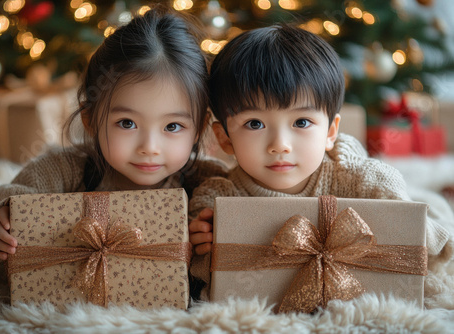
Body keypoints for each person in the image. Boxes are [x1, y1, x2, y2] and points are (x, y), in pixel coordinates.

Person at [188, 23, 452, 298]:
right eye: (255, 124)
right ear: (225, 139)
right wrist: (203, 246)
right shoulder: (218, 198)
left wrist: (419, 230)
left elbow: (422, 241)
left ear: (330, 132)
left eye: (301, 121)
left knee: (433, 204)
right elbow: (201, 274)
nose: (280, 145)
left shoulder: (356, 178)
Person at [0, 5, 227, 274]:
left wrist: (213, 238)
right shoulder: (63, 170)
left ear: (199, 128)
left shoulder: (207, 183)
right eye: (127, 123)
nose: (150, 147)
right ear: (91, 121)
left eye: (172, 126)